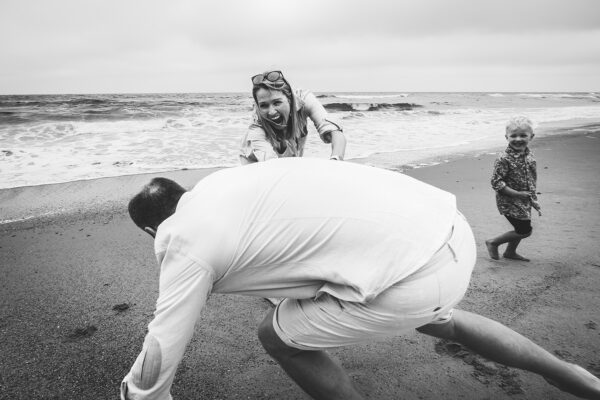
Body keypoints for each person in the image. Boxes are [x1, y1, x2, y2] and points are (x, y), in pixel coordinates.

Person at [121, 158, 599, 400]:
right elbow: (291, 263)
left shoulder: (181, 236)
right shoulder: (226, 186)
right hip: (449, 232)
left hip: (413, 277)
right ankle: (575, 378)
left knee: (276, 336)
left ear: (150, 230)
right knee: (441, 321)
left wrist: (141, 394)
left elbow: (161, 347)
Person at [239, 70, 346, 164]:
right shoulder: (256, 123)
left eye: (277, 103)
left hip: (293, 152)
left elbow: (336, 133)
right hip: (255, 163)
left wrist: (336, 160)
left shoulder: (304, 99)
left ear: (290, 98)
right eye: (264, 105)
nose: (271, 112)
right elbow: (270, 164)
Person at [486, 116, 542, 262]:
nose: (518, 139)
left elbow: (530, 177)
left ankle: (510, 252)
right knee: (524, 230)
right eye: (513, 135)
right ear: (506, 137)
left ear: (531, 137)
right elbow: (496, 183)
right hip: (509, 200)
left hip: (525, 198)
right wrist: (517, 194)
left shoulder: (529, 155)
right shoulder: (504, 158)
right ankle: (493, 242)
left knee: (521, 227)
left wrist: (531, 197)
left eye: (523, 135)